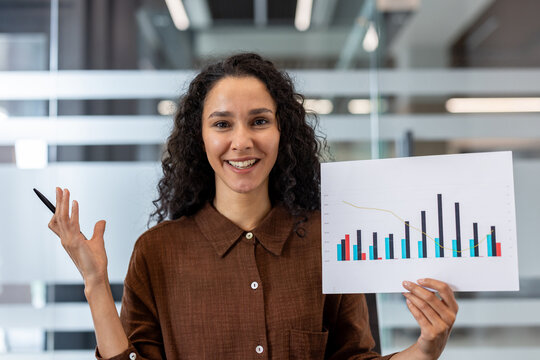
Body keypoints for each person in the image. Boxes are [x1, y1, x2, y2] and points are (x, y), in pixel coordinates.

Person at [47, 53, 458, 359]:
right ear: (200, 139)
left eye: (259, 121)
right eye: (222, 124)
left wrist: (425, 347)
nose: (242, 141)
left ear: (282, 132)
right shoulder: (157, 251)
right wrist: (96, 284)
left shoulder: (328, 239)